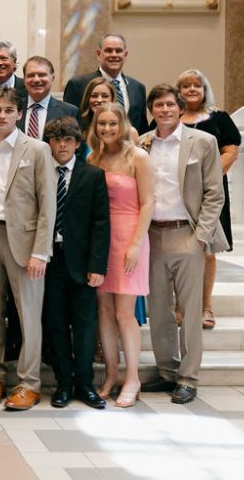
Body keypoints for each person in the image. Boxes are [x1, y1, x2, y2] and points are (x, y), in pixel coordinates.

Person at [139, 85, 227, 405]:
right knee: (159, 310)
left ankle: (188, 377)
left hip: (186, 233)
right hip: (152, 235)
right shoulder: (142, 144)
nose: (164, 110)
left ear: (180, 108)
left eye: (170, 104)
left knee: (189, 311)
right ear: (152, 111)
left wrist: (201, 236)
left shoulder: (202, 142)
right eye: (158, 105)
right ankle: (166, 372)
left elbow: (215, 193)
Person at [0, 86, 55, 411]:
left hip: (24, 242)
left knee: (28, 315)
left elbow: (47, 204)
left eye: (9, 110)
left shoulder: (36, 150)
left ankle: (29, 383)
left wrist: (41, 251)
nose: (3, 115)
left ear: (19, 114)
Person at [88, 103, 154, 408]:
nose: (107, 129)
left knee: (125, 313)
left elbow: (149, 203)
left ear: (123, 124)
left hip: (129, 236)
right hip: (103, 240)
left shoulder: (137, 157)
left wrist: (136, 243)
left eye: (113, 124)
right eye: (102, 124)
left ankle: (132, 378)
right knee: (103, 310)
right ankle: (111, 374)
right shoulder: (94, 157)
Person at [42, 117, 110, 409]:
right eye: (57, 140)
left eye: (68, 140)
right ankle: (64, 384)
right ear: (49, 144)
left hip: (82, 264)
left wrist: (97, 266)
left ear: (78, 143)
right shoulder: (42, 173)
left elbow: (100, 223)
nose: (62, 145)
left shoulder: (92, 176)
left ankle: (85, 384)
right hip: (49, 260)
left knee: (84, 327)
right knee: (55, 324)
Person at [177, 69, 240, 330]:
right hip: (178, 193)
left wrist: (208, 177)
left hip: (210, 192)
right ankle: (180, 307)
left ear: (205, 90)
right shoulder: (171, 116)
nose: (192, 90)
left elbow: (231, 150)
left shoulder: (219, 118)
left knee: (205, 249)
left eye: (197, 85)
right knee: (176, 249)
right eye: (186, 86)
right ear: (178, 91)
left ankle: (205, 306)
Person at [63, 34, 148, 135]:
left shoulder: (138, 88)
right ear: (99, 54)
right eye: (108, 50)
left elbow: (142, 128)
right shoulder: (77, 85)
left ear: (125, 55)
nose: (114, 55)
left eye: (118, 51)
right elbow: (68, 125)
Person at [18, 56, 79, 141]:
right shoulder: (13, 109)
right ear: (24, 80)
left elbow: (77, 149)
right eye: (31, 75)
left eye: (42, 75)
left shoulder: (70, 112)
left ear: (52, 78)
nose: (36, 79)